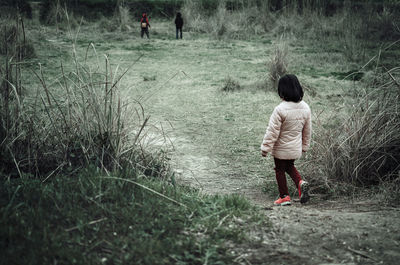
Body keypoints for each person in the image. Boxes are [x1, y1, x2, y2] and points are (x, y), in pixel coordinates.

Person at [260, 74, 312, 206]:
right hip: (295, 148)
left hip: (281, 149)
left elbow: (272, 131)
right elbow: (307, 130)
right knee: (289, 166)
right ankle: (300, 183)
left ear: (282, 91)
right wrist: (305, 146)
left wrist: (265, 148)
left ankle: (284, 196)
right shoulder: (305, 108)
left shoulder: (280, 109)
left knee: (279, 169)